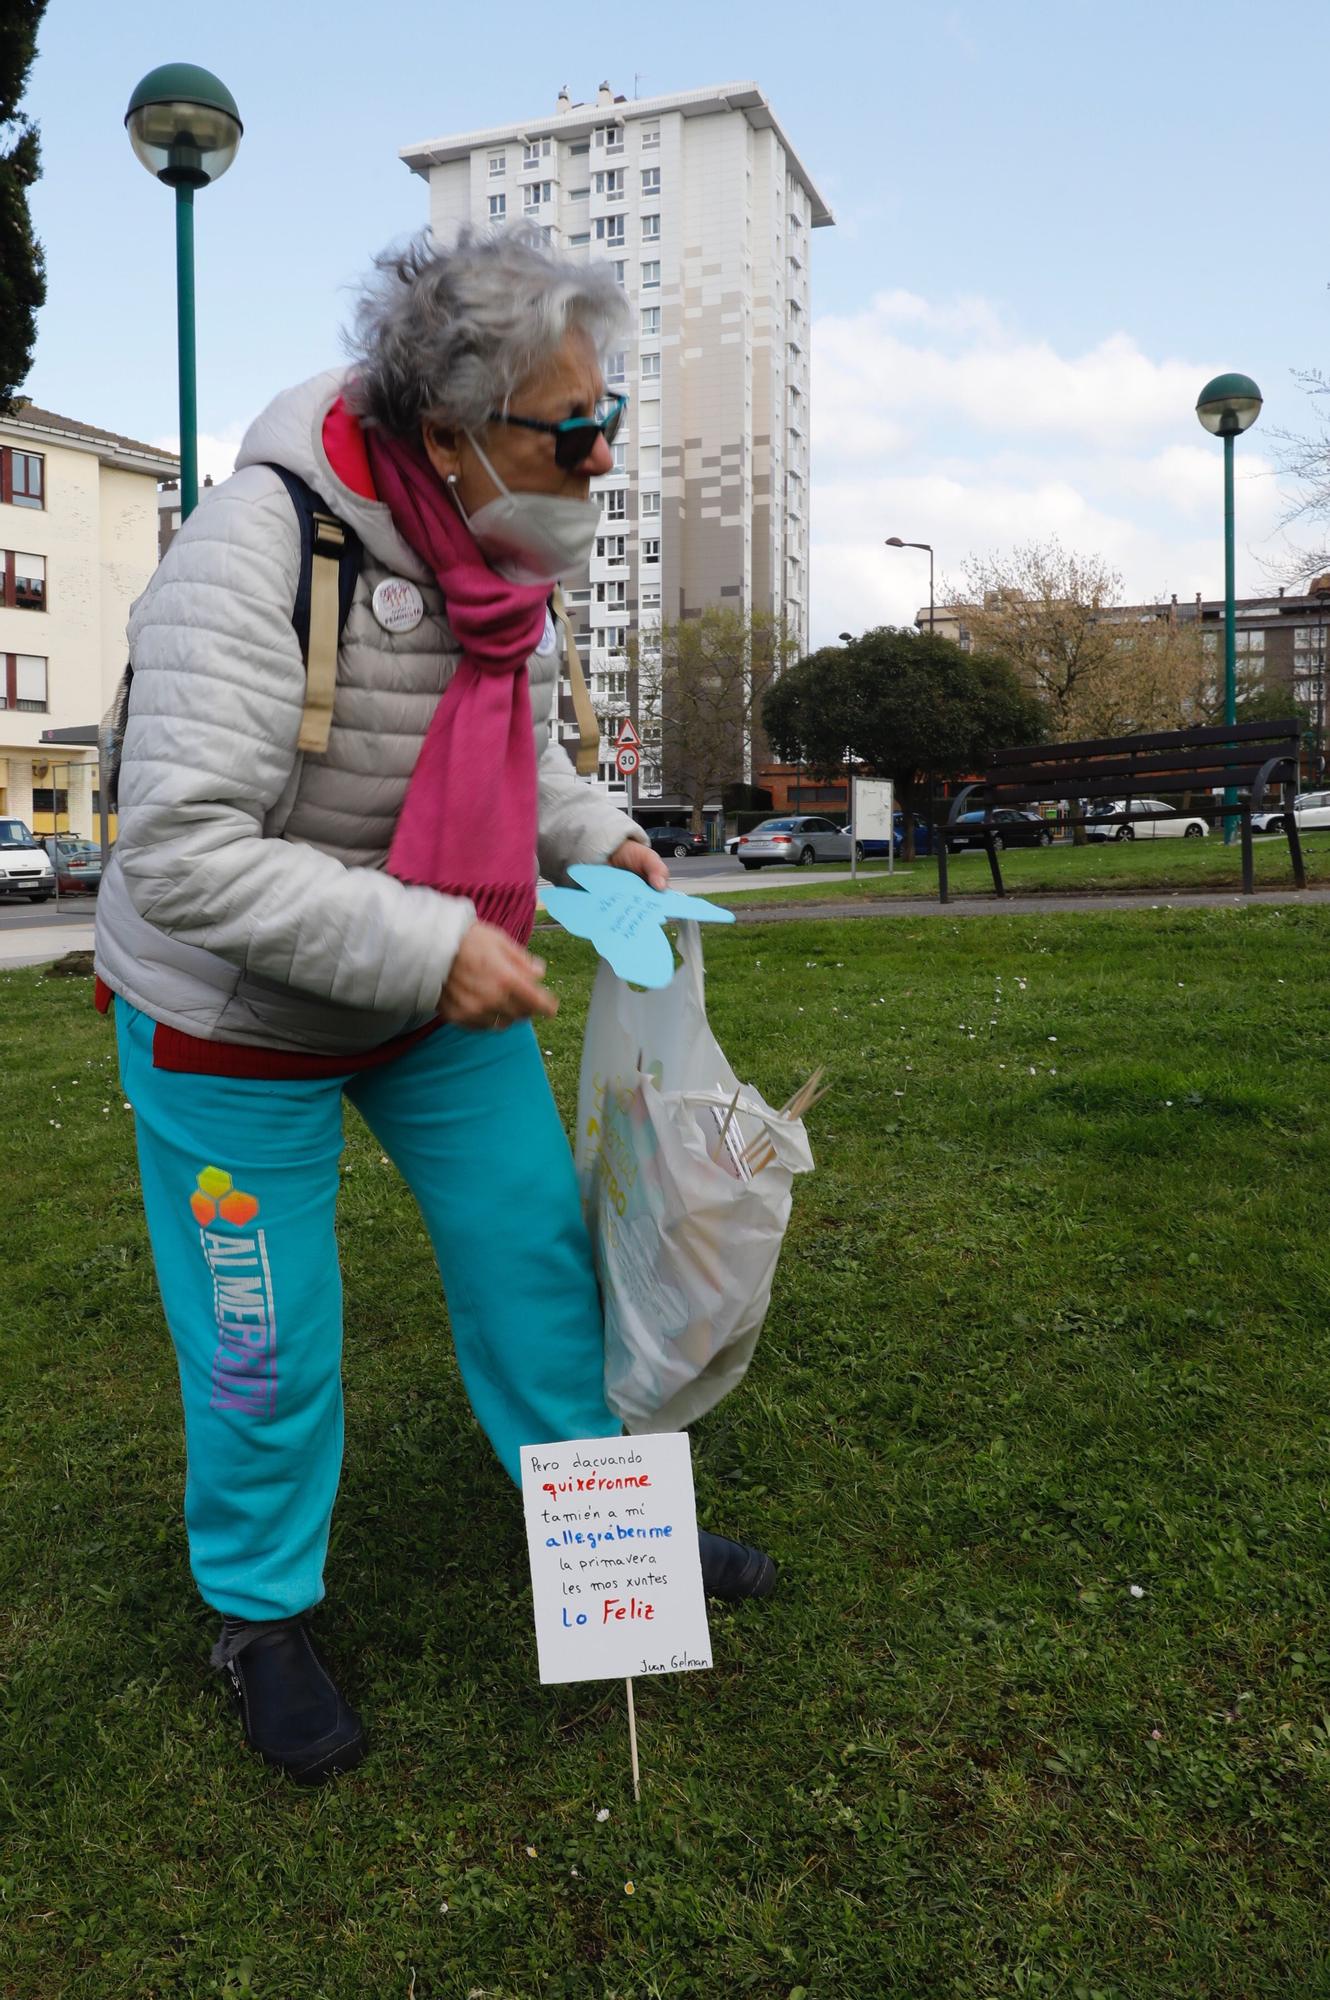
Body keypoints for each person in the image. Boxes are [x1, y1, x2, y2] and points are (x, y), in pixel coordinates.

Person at [94, 228, 775, 1788]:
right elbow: (184, 849)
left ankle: (606, 1536)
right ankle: (258, 1619)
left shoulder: (500, 555)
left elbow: (516, 761)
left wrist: (598, 837)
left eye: (608, 422)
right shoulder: (255, 547)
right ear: (451, 427)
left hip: (423, 1008)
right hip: (229, 1027)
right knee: (268, 1347)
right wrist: (430, 947)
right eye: (576, 430)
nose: (601, 460)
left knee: (538, 1266)